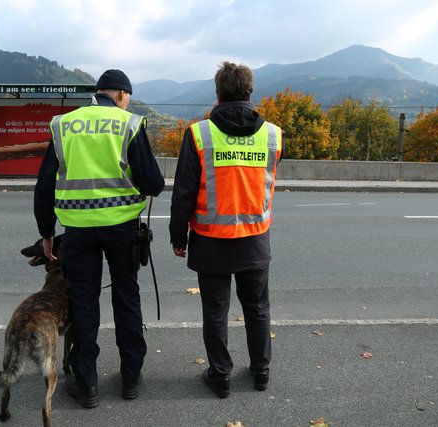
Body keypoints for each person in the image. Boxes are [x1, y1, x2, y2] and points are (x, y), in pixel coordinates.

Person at [34, 69, 164, 408]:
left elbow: (45, 185)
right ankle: (131, 378)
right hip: (122, 230)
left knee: (83, 303)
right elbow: (152, 183)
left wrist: (47, 233)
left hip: (77, 232)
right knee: (126, 298)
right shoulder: (129, 124)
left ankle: (86, 384)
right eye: (128, 99)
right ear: (121, 94)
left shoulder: (63, 125)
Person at [169, 61, 283, 398]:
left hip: (211, 242)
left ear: (218, 93)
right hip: (255, 240)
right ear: (250, 92)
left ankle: (220, 376)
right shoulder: (273, 135)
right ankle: (261, 372)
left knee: (216, 312)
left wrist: (178, 237)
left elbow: (184, 193)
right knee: (257, 307)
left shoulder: (199, 133)